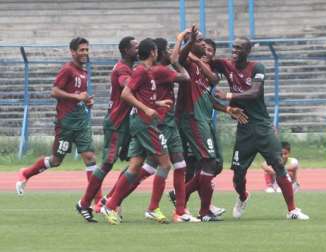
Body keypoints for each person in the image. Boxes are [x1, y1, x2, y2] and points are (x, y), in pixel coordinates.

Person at [212, 36, 309, 220]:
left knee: (279, 165)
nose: (234, 51)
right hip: (244, 128)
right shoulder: (225, 65)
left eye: (239, 48)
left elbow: (255, 92)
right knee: (238, 175)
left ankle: (292, 210)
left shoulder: (257, 68)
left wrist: (228, 94)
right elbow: (204, 62)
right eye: (233, 47)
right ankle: (243, 197)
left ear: (247, 51)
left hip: (263, 126)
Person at [100, 38, 190, 224]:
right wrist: (147, 109)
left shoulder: (148, 72)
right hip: (144, 122)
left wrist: (156, 103)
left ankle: (109, 205)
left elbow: (141, 96)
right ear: (153, 52)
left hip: (143, 120)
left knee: (135, 166)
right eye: (157, 50)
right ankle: (152, 208)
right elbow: (126, 94)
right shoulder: (141, 70)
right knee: (165, 165)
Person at [15, 37, 100, 206]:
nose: (85, 53)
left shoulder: (84, 72)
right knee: (56, 160)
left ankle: (98, 202)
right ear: (73, 52)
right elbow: (54, 91)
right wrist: (77, 97)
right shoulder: (67, 70)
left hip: (81, 121)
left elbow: (79, 95)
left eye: (86, 50)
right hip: (65, 124)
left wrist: (86, 101)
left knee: (90, 157)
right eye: (81, 50)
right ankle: (26, 173)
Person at [173, 26, 247, 221]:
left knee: (215, 164)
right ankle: (201, 210)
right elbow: (177, 60)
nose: (204, 44)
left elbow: (212, 83)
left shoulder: (199, 66)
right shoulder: (187, 63)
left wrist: (227, 109)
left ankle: (185, 199)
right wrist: (185, 42)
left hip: (203, 119)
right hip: (192, 119)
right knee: (207, 162)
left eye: (204, 42)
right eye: (199, 41)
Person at [75, 36, 138, 223]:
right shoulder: (122, 69)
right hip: (116, 123)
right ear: (126, 50)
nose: (138, 49)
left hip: (127, 123)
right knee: (108, 163)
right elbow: (126, 84)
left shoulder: (128, 67)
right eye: (135, 47)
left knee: (137, 161)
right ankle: (85, 202)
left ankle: (110, 199)